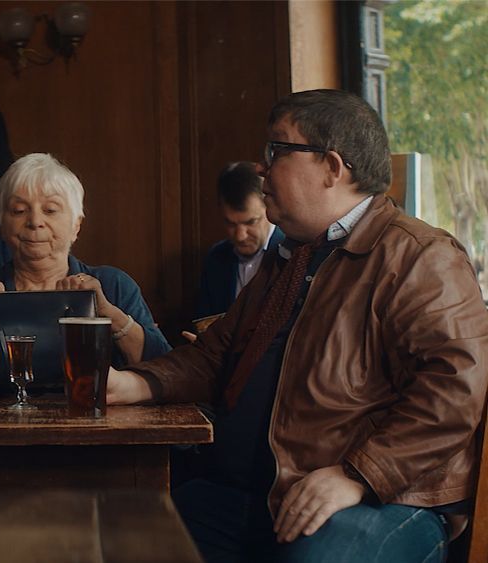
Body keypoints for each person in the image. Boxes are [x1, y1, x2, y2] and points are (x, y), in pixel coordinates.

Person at [107, 89, 488, 562]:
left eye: (278, 150)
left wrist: (357, 475)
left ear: (332, 167)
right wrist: (135, 383)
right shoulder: (291, 255)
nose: (262, 168)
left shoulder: (419, 255)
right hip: (257, 493)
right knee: (120, 538)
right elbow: (215, 355)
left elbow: (454, 392)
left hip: (385, 497)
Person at [0, 153, 172, 390]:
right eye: (19, 211)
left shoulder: (112, 284)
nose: (35, 221)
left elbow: (163, 369)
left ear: (76, 224)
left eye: (51, 210)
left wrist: (109, 313)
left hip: (93, 424)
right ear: (2, 224)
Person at [192, 161, 284, 323]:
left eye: (250, 222)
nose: (240, 236)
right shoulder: (216, 257)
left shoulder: (293, 254)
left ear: (269, 207)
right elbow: (204, 322)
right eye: (230, 223)